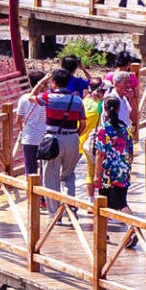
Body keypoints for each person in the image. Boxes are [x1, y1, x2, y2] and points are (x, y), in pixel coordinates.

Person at [38, 68, 86, 202]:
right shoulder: (77, 101)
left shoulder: (48, 97)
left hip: (53, 139)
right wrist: (75, 135)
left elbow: (31, 96)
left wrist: (41, 81)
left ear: (53, 82)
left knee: (50, 179)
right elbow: (83, 124)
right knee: (69, 175)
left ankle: (55, 215)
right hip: (72, 139)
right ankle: (70, 207)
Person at [88, 96, 133, 213]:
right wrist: (127, 166)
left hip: (107, 172)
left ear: (105, 109)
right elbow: (130, 150)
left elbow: (100, 153)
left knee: (108, 202)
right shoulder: (125, 128)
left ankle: (133, 227)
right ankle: (130, 228)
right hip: (123, 169)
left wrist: (97, 175)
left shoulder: (103, 129)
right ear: (118, 110)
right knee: (120, 200)